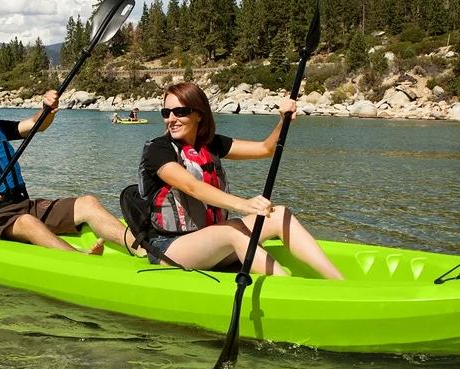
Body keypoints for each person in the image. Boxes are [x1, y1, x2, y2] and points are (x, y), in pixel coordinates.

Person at [137, 82, 344, 279]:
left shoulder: (211, 144)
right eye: (166, 113)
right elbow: (191, 186)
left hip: (211, 243)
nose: (171, 119)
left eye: (180, 112)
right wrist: (243, 204)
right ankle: (287, 289)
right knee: (233, 229)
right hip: (169, 248)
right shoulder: (158, 149)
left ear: (199, 114)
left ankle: (339, 283)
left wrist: (283, 120)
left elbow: (266, 149)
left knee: (279, 214)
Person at [0, 75, 143, 255]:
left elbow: (35, 125)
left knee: (88, 203)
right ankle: (80, 260)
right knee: (27, 222)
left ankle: (142, 249)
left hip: (22, 204)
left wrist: (47, 109)